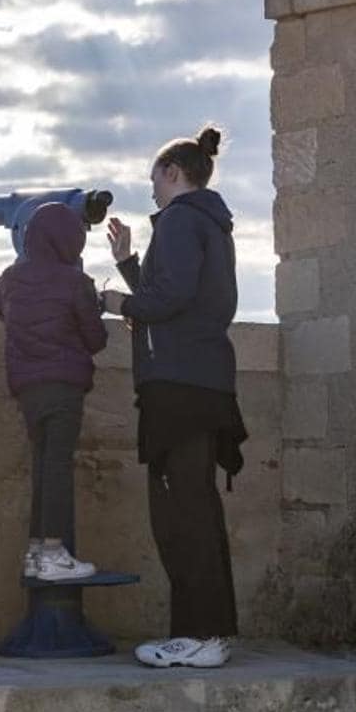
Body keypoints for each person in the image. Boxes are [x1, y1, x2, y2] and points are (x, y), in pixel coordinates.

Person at [101, 125, 248, 669]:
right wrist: (128, 262)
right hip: (201, 381)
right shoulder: (206, 222)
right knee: (195, 509)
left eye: (154, 180)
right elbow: (177, 294)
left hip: (181, 387)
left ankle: (200, 634)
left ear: (173, 172)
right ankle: (210, 634)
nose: (152, 191)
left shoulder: (184, 219)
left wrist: (118, 301)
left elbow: (172, 298)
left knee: (181, 514)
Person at [0, 202, 108, 582]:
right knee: (58, 466)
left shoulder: (11, 280)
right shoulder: (75, 283)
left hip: (27, 387)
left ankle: (35, 552)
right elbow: (96, 340)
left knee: (41, 466)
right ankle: (54, 552)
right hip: (64, 386)